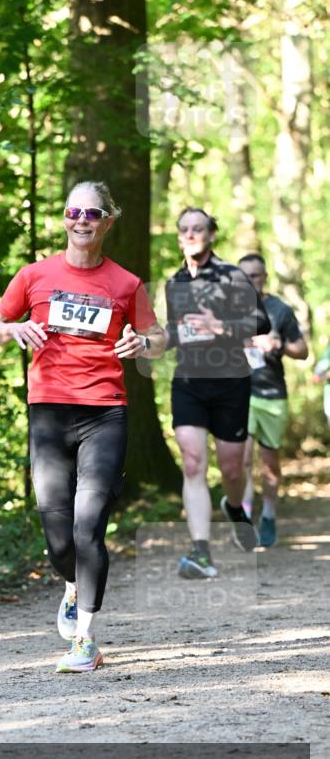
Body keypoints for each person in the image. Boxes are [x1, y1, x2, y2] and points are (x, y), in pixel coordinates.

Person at [0, 181, 166, 672]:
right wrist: (12, 328)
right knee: (58, 537)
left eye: (93, 212)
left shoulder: (125, 284)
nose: (82, 219)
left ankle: (85, 638)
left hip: (105, 412)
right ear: (65, 219)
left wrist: (143, 346)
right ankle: (71, 584)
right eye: (73, 211)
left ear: (108, 221)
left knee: (88, 527)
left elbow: (158, 335)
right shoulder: (33, 275)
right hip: (48, 413)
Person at [164, 208, 270, 579]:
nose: (191, 234)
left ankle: (234, 506)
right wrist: (150, 341)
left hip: (230, 383)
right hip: (189, 382)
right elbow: (175, 333)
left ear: (211, 234)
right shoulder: (174, 281)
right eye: (185, 229)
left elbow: (261, 321)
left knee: (230, 468)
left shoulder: (231, 275)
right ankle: (201, 552)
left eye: (198, 228)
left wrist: (219, 324)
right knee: (192, 461)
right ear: (179, 236)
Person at [238, 254, 308, 547]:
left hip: (272, 394)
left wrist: (278, 344)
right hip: (239, 393)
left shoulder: (279, 309)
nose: (249, 282)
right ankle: (244, 519)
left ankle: (268, 515)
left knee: (269, 465)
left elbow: (302, 350)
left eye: (254, 276)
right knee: (241, 458)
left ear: (264, 277)